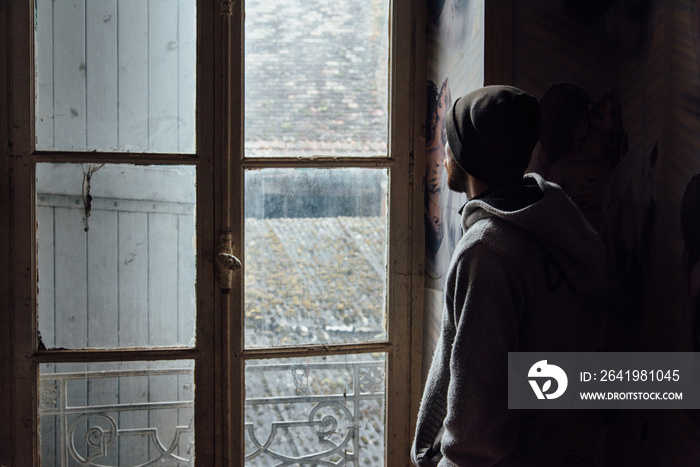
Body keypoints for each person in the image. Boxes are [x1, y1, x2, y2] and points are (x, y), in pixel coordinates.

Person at [411, 85, 606, 466]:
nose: (444, 153)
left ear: (467, 156)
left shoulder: (487, 252)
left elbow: (476, 431)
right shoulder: (554, 223)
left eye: (450, 143)